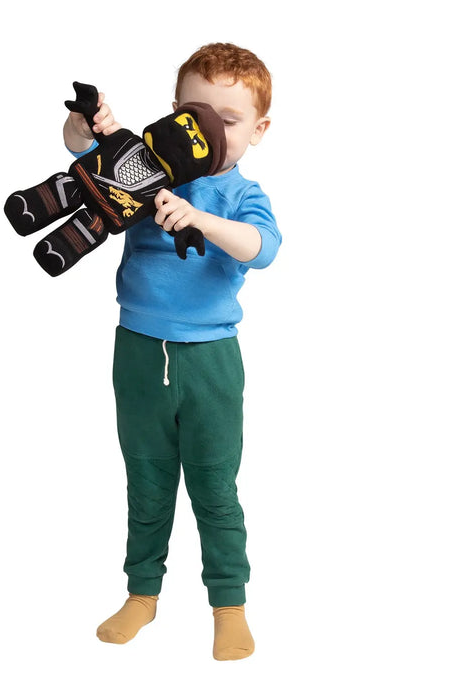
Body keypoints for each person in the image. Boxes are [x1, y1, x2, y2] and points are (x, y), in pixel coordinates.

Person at [63, 42, 281, 661]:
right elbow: (82, 152)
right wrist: (84, 125)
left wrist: (201, 219)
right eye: (195, 114)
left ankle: (229, 605)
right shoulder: (145, 167)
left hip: (210, 362)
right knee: (147, 480)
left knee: (215, 487)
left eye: (229, 120)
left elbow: (263, 248)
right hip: (137, 351)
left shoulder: (241, 195)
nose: (209, 130)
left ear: (258, 130)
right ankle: (142, 594)